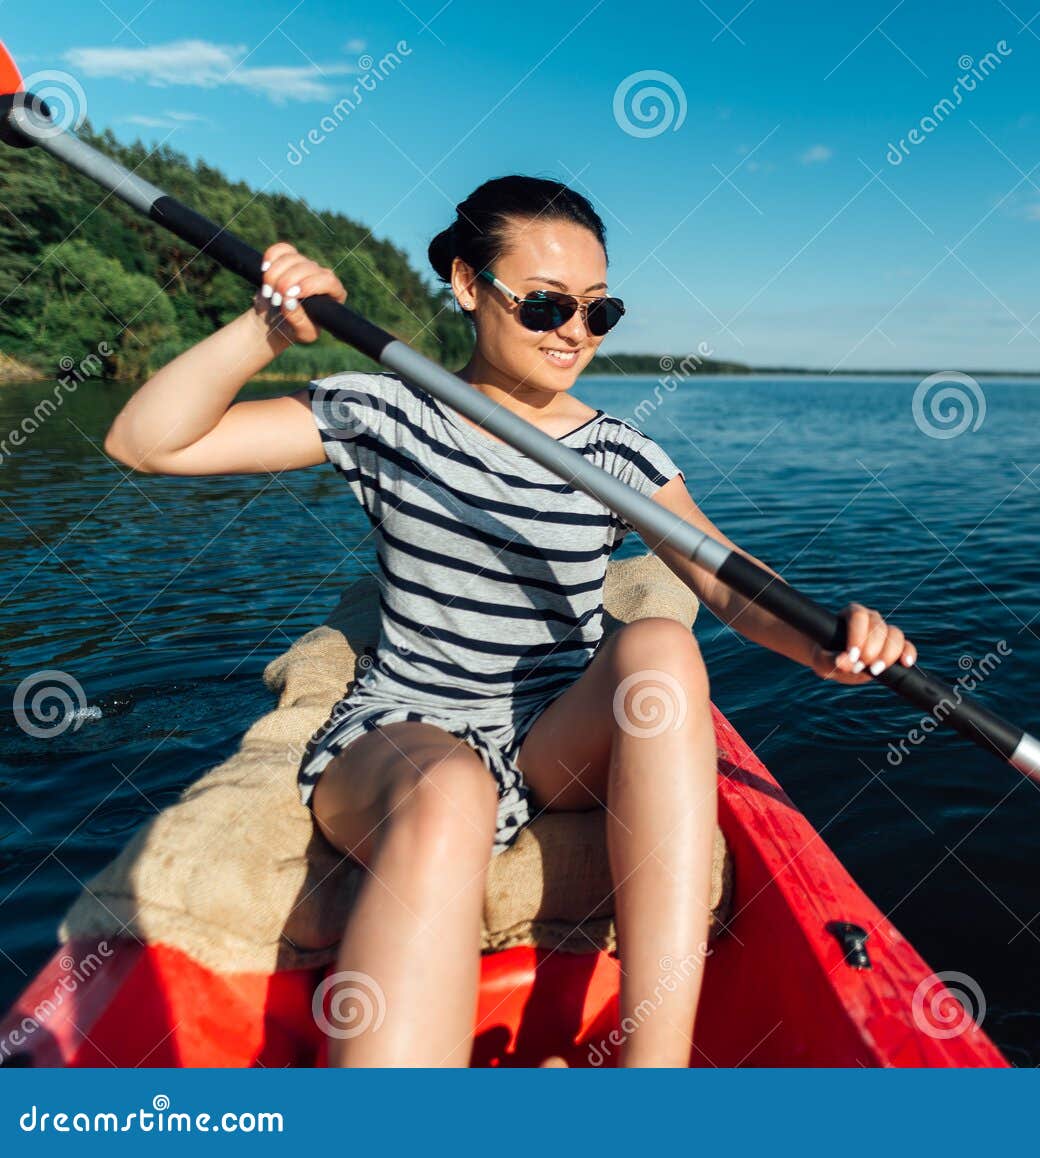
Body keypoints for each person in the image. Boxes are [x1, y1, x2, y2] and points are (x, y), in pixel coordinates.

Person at [103, 175, 918, 1067]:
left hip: (547, 742)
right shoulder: (389, 410)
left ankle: (653, 1082)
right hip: (408, 731)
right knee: (452, 787)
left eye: (598, 312)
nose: (574, 331)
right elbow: (148, 443)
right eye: (543, 304)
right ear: (465, 284)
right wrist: (263, 331)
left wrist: (824, 642)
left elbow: (723, 581)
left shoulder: (618, 455)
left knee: (659, 645)